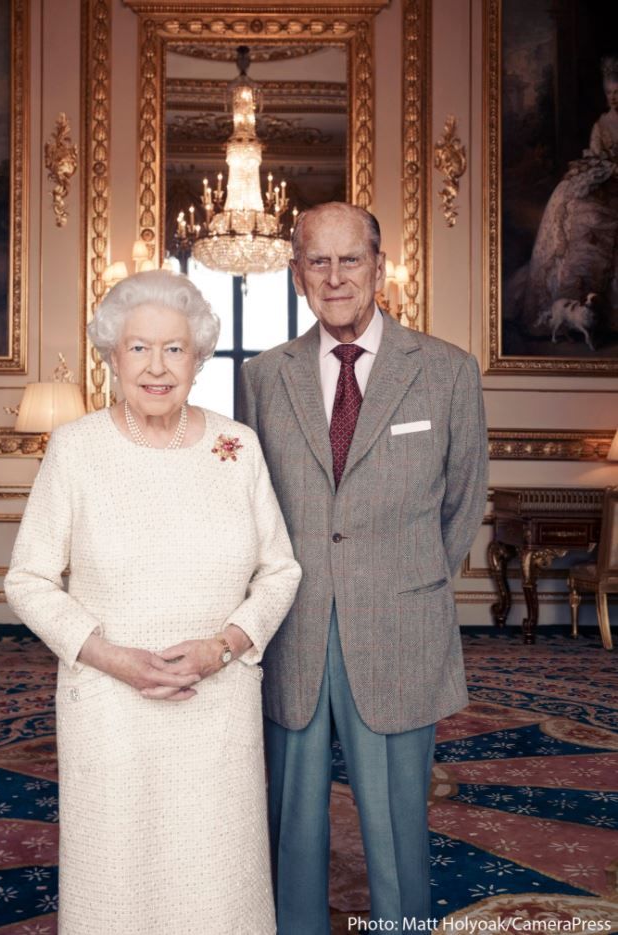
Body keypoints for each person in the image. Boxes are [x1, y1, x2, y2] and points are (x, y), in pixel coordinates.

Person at [4, 269, 301, 934]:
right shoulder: (76, 448)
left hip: (216, 704)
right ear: (110, 356)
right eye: (138, 348)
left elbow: (280, 570)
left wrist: (224, 645)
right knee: (118, 877)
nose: (157, 367)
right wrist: (110, 657)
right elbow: (26, 578)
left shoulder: (237, 447)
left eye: (174, 348)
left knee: (217, 878)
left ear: (198, 358)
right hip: (110, 707)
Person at [238, 202, 489, 933]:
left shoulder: (445, 371)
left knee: (396, 830)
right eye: (317, 260)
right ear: (295, 275)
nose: (335, 276)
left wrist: (402, 581)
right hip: (293, 632)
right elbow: (250, 506)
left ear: (379, 267)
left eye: (351, 259)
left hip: (399, 628)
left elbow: (463, 500)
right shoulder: (261, 378)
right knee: (290, 825)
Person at [521, 55, 618, 334]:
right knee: (574, 206)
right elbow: (597, 156)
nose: (613, 98)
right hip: (606, 179)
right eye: (609, 93)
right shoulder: (601, 125)